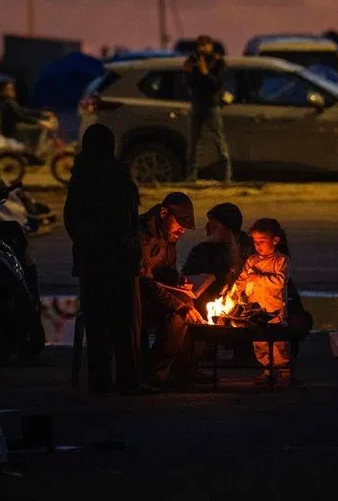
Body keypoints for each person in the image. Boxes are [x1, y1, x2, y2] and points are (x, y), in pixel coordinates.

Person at [63, 124, 148, 395]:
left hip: (89, 261)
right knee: (121, 322)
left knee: (96, 322)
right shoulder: (118, 178)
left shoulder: (80, 177)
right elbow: (127, 223)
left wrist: (85, 242)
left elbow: (70, 219)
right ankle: (127, 380)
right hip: (117, 261)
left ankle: (100, 380)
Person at [138, 192, 207, 385]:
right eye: (179, 225)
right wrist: (178, 304)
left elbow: (167, 272)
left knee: (196, 305)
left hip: (154, 294)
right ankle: (155, 370)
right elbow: (145, 282)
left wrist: (180, 283)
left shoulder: (168, 238)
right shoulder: (142, 236)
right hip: (136, 297)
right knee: (181, 314)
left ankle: (183, 367)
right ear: (163, 213)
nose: (181, 231)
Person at [227, 218, 293, 385]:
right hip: (255, 311)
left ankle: (284, 372)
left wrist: (257, 277)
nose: (258, 246)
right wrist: (233, 293)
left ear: (275, 240)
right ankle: (267, 371)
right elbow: (242, 280)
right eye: (255, 242)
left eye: (262, 241)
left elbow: (279, 282)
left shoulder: (281, 261)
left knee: (278, 344)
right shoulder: (252, 261)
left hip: (275, 310)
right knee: (260, 343)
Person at [181, 202, 252, 311]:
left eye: (213, 224)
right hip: (206, 309)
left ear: (227, 227)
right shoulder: (201, 252)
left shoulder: (249, 249)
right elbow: (187, 283)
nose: (207, 227)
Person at [183, 35, 232, 183]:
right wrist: (189, 72)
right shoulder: (195, 61)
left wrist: (206, 73)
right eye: (199, 45)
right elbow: (190, 84)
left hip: (212, 105)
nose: (201, 49)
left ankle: (226, 176)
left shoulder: (218, 62)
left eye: (204, 45)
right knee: (194, 142)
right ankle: (191, 176)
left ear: (210, 46)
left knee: (219, 141)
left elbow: (218, 84)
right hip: (198, 104)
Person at [0, 81, 53, 152]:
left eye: (13, 89)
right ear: (3, 91)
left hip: (13, 127)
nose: (13, 91)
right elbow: (20, 116)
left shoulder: (9, 101)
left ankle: (31, 150)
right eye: (10, 89)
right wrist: (39, 122)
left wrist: (41, 113)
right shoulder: (6, 104)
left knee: (37, 128)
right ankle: (32, 153)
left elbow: (23, 111)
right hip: (11, 131)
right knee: (39, 129)